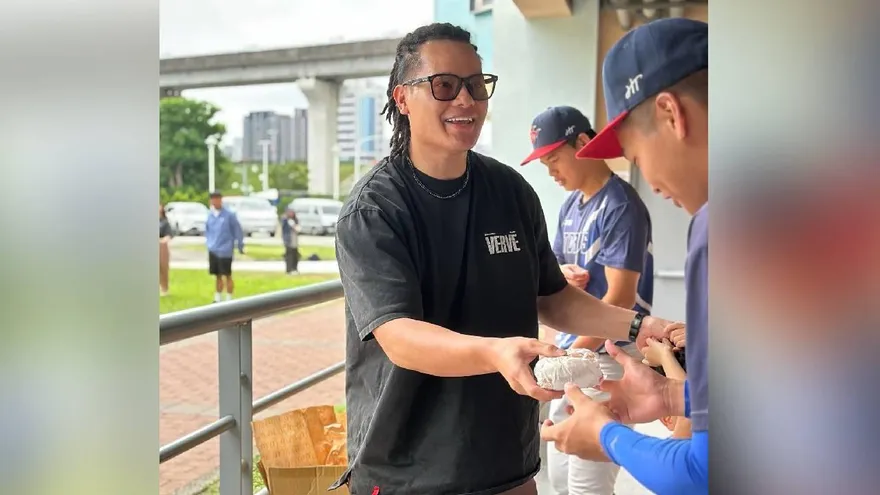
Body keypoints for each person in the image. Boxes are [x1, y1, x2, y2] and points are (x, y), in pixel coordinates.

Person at [331, 23, 675, 495]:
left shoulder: (510, 191)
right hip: (408, 470)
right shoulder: (376, 210)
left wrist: (638, 326)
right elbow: (399, 337)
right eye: (445, 85)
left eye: (476, 84)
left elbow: (554, 298)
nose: (466, 100)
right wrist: (495, 352)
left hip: (505, 463)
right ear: (403, 99)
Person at [539, 17, 709, 495]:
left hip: (605, 348)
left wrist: (607, 437)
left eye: (635, 155)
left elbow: (703, 472)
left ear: (671, 113)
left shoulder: (715, 231)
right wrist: (674, 393)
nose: (650, 182)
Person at [521, 105, 654, 495]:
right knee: (559, 478)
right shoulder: (571, 206)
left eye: (554, 159)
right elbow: (557, 276)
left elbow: (621, 296)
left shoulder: (621, 205)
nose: (551, 172)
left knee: (586, 486)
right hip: (573, 354)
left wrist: (567, 355)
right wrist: (563, 276)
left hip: (608, 357)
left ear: (583, 142)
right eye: (544, 164)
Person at [205, 191, 244, 302]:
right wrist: (209, 244)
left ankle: (229, 298)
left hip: (225, 249)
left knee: (227, 274)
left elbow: (237, 230)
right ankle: (217, 297)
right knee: (217, 275)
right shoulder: (210, 215)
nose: (215, 201)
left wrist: (240, 245)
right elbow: (208, 230)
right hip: (213, 248)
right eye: (213, 199)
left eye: (217, 199)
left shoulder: (229, 215)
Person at [281, 208, 301, 275]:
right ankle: (289, 269)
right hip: (288, 240)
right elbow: (284, 230)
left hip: (294, 240)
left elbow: (298, 229)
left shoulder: (295, 220)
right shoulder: (286, 220)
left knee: (295, 255)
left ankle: (294, 268)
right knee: (289, 256)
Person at [159, 203, 173, 296]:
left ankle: (165, 288)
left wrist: (162, 240)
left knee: (163, 268)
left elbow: (169, 235)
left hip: (162, 247)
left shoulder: (165, 222)